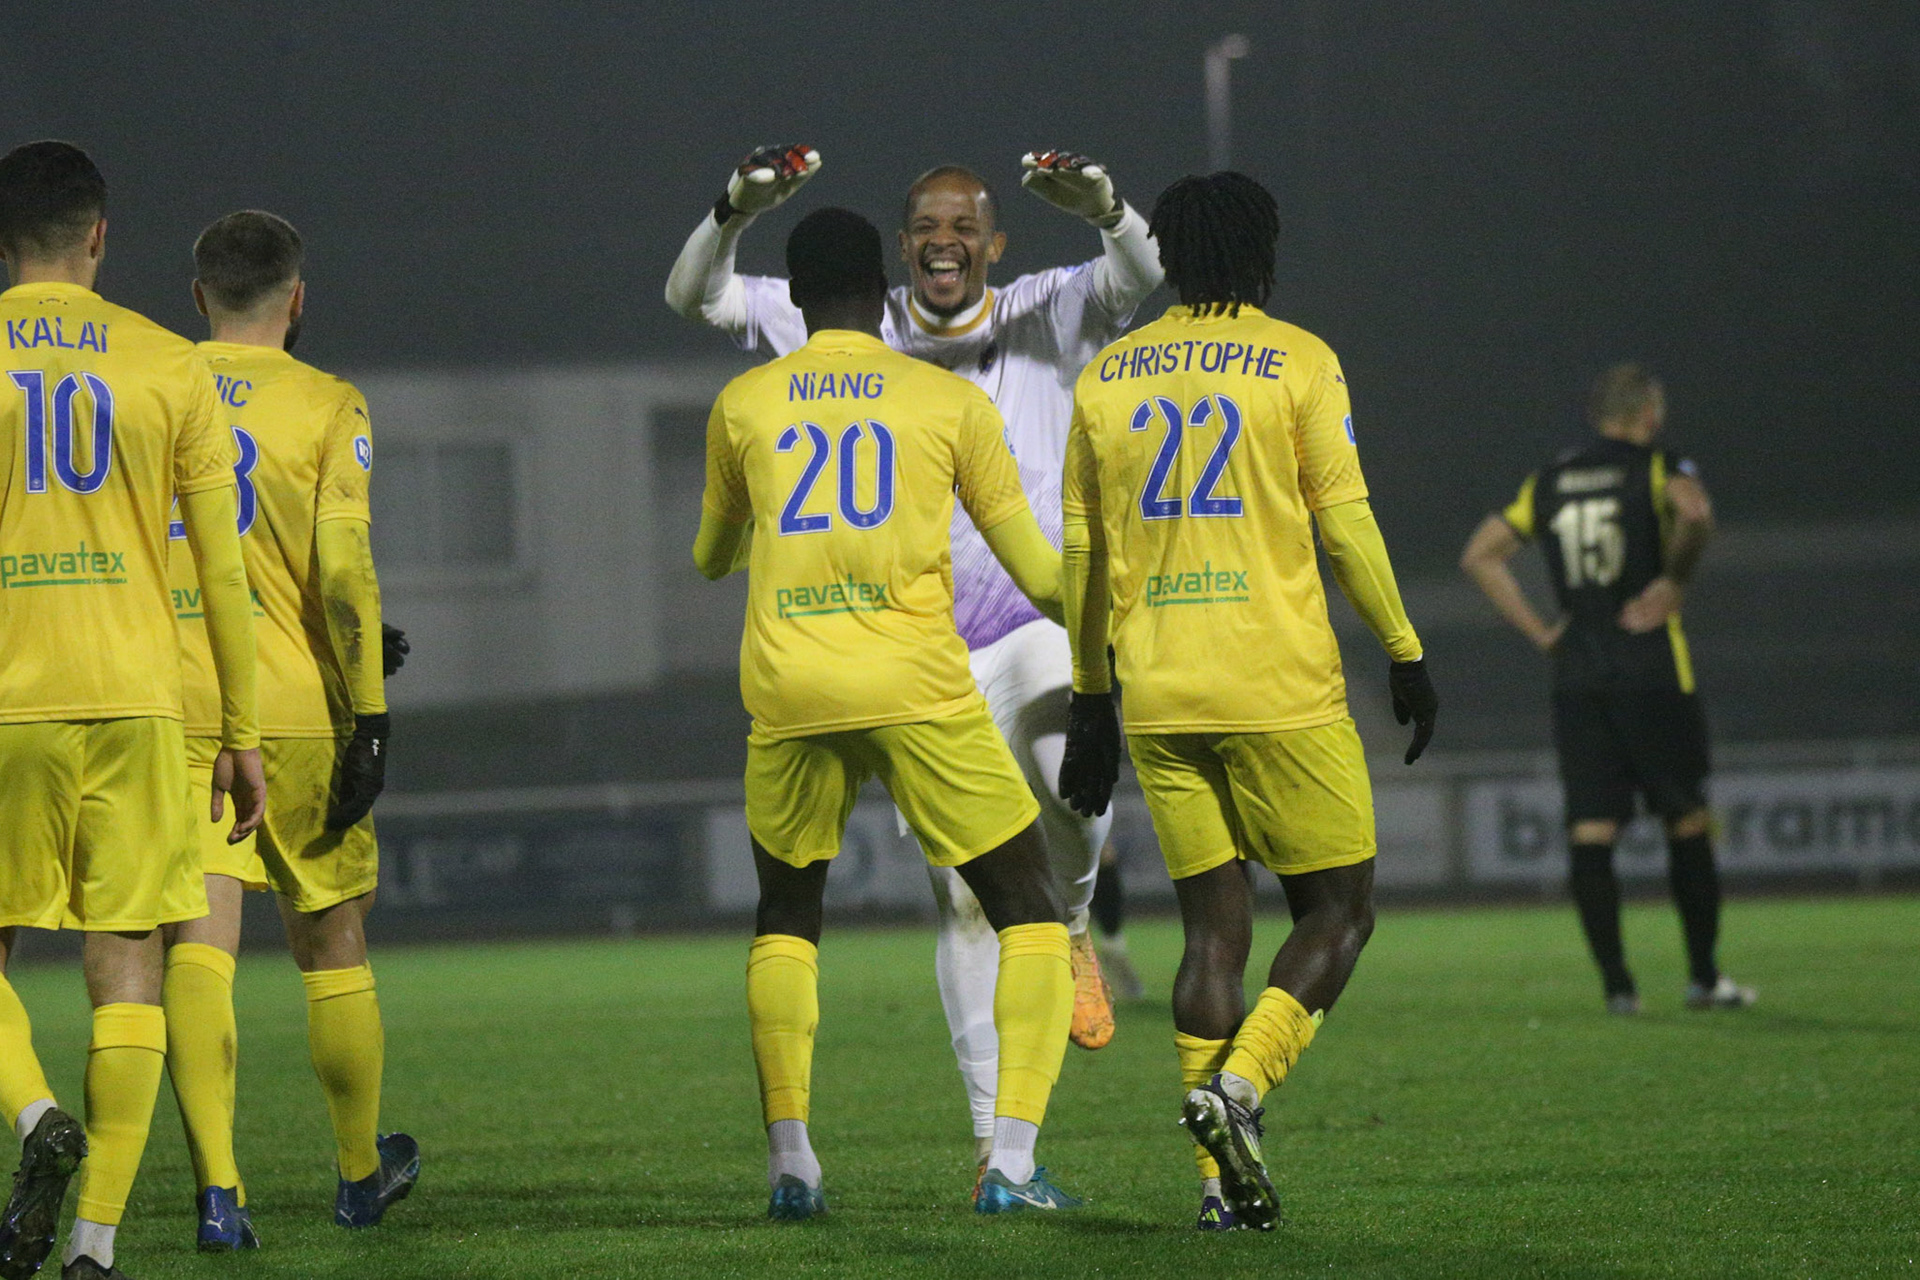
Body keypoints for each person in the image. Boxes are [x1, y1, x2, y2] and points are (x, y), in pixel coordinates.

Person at [666, 145, 1162, 1179]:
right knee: (979, 901)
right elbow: (697, 293)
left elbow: (1140, 274)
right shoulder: (925, 383)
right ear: (895, 258)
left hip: (864, 661)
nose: (945, 241)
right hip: (931, 657)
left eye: (963, 225)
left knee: (800, 908)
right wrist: (1122, 616)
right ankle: (998, 1144)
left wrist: (1109, 210)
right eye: (927, 227)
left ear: (995, 242)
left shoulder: (1038, 308)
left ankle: (793, 1153)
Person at [1056, 172, 1438, 1232]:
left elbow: (1083, 552)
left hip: (1160, 690)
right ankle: (1239, 1088)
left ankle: (1217, 1192)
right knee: (1341, 909)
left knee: (1210, 939)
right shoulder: (1299, 359)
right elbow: (1346, 526)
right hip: (1277, 683)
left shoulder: (1109, 374)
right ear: (1260, 251)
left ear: (1172, 257)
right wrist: (1404, 651)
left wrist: (1091, 696)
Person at [0, 139, 265, 1280]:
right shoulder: (172, 364)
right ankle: (96, 1243)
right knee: (128, 966)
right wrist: (241, 734)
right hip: (143, 701)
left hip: (9, 698)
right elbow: (222, 572)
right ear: (100, 235)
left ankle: (32, 1117)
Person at [159, 210, 418, 1249]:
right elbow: (342, 570)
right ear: (298, 297)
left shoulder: (157, 385)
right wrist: (372, 712)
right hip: (299, 706)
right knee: (332, 939)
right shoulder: (327, 402)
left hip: (179, 703)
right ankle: (358, 1173)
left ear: (198, 296)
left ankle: (221, 1195)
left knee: (199, 947)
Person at [1460, 362, 1753, 1014]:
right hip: (1651, 668)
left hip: (1578, 674)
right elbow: (1696, 513)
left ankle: (1619, 988)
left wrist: (1542, 632)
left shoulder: (1550, 480)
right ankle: (1704, 979)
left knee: (1592, 829)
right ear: (1649, 413)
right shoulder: (1655, 467)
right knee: (1686, 818)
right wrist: (1674, 581)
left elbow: (1480, 554)